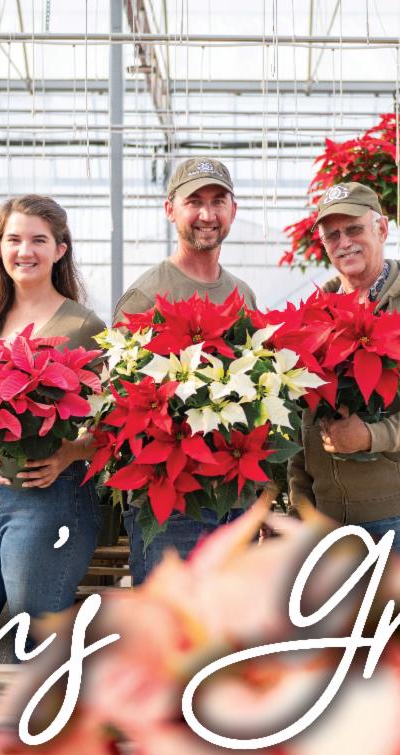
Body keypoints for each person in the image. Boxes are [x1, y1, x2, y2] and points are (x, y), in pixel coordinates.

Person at [0, 195, 105, 654]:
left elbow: (112, 421)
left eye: (38, 240)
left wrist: (69, 453)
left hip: (49, 499)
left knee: (35, 637)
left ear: (60, 250)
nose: (24, 251)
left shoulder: (83, 325)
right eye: (13, 239)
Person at [287, 183, 400, 582]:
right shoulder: (317, 313)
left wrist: (370, 436)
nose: (343, 243)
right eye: (332, 235)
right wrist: (299, 504)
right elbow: (304, 418)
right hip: (330, 521)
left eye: (354, 229)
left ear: (381, 229)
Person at [112, 157, 258, 584]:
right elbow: (117, 397)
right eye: (194, 202)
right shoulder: (146, 294)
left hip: (235, 501)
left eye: (218, 202)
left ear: (233, 210)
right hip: (171, 507)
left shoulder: (242, 294)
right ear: (170, 209)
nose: (207, 215)